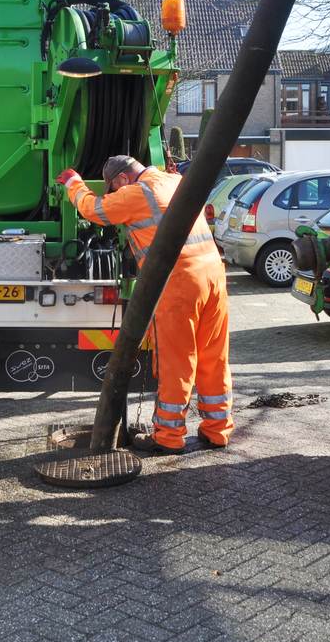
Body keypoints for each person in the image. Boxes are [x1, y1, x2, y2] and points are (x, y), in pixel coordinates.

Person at [56, 155, 233, 454]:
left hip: (179, 282)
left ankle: (168, 437)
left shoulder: (137, 194)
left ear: (123, 180)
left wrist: (74, 184)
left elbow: (93, 210)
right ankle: (218, 430)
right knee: (213, 355)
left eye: (114, 189)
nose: (115, 195)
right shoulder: (175, 180)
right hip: (214, 274)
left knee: (177, 360)